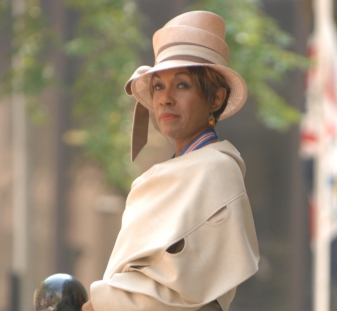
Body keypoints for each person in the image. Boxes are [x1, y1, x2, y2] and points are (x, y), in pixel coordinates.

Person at [81, 10, 260, 311]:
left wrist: (96, 304)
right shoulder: (171, 172)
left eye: (182, 85)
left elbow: (182, 290)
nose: (165, 98)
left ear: (215, 99)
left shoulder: (216, 169)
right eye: (159, 86)